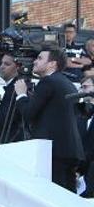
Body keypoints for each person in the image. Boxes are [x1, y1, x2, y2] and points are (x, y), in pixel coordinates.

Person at [15, 47, 84, 191]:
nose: (34, 62)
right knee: (67, 201)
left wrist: (21, 95)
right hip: (70, 150)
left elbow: (28, 113)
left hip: (53, 152)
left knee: (53, 199)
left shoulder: (48, 82)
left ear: (52, 64)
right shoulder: (68, 83)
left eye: (40, 58)